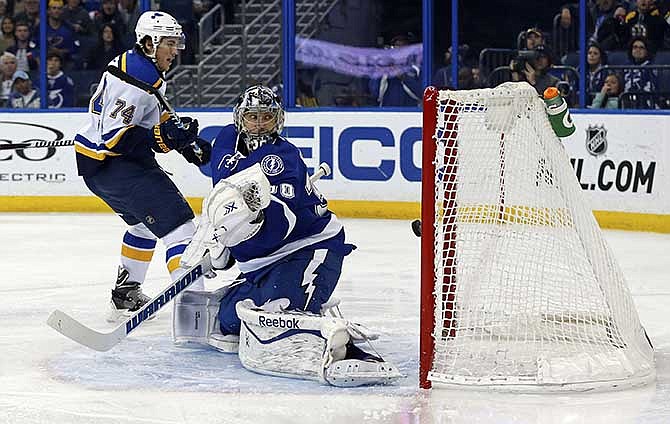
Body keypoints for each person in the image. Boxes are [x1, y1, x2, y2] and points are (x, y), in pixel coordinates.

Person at [176, 85, 401, 387]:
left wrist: (231, 239)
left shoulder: (282, 158)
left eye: (266, 117)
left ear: (277, 119)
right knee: (229, 321)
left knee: (276, 314)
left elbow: (281, 227)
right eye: (252, 116)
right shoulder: (227, 139)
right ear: (239, 118)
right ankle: (298, 298)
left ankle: (344, 347)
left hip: (308, 248)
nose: (258, 123)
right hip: (262, 263)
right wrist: (221, 241)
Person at [73, 10, 212, 321]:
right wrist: (165, 138)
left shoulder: (139, 68)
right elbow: (116, 139)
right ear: (149, 43)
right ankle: (196, 312)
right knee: (181, 229)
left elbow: (149, 118)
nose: (175, 51)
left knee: (142, 226)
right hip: (118, 165)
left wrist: (184, 143)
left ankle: (125, 294)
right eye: (170, 44)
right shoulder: (135, 76)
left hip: (100, 171)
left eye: (177, 44)